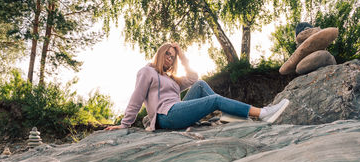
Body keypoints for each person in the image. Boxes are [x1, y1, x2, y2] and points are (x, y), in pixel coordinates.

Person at [105, 43, 289, 131]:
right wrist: (124, 124)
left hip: (176, 110)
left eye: (172, 57)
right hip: (164, 116)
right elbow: (136, 98)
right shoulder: (146, 72)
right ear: (160, 53)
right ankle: (263, 113)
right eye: (167, 54)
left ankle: (230, 116)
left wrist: (183, 56)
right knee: (215, 99)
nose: (169, 59)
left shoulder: (171, 79)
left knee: (201, 85)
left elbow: (194, 78)